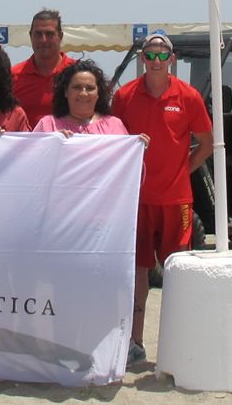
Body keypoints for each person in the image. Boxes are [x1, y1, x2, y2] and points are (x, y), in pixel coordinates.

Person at [111, 32, 211, 367]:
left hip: (176, 200)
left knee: (176, 270)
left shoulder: (188, 96)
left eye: (161, 55)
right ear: (142, 58)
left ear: (172, 59)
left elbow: (207, 143)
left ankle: (175, 343)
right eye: (150, 55)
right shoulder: (124, 96)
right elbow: (113, 140)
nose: (155, 61)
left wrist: (184, 169)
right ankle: (134, 342)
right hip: (137, 199)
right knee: (138, 271)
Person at [12, 8, 76, 127]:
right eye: (38, 34)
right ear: (30, 36)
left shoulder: (78, 74)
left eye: (49, 34)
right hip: (26, 145)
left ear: (60, 36)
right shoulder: (13, 76)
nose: (43, 40)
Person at [31, 60, 126, 136]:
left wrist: (138, 144)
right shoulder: (47, 125)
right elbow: (33, 156)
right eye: (77, 87)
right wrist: (51, 143)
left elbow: (126, 157)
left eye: (90, 88)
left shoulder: (114, 125)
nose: (83, 93)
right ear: (66, 92)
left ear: (98, 94)